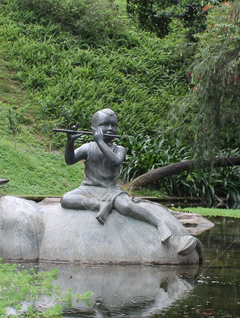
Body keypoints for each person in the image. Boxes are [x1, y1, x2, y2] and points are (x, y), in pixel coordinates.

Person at [62, 108, 196, 253]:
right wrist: (70, 142)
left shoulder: (119, 148)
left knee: (127, 206)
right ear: (94, 129)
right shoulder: (88, 147)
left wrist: (100, 141)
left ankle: (159, 223)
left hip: (111, 190)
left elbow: (115, 162)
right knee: (66, 199)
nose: (110, 129)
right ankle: (100, 205)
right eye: (105, 125)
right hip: (89, 188)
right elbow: (69, 160)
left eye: (114, 125)